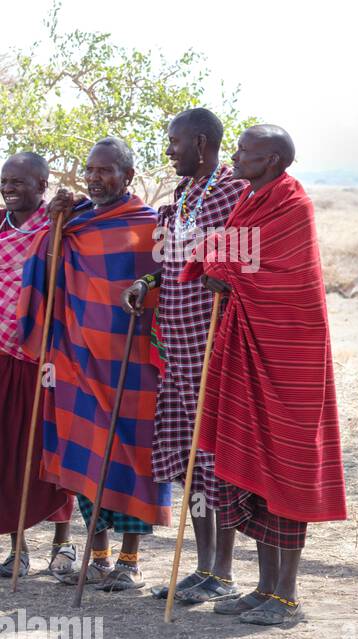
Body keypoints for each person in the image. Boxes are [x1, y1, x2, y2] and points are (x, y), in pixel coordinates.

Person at [192, 125, 348, 625]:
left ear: (274, 159)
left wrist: (225, 268)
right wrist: (221, 264)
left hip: (289, 355)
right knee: (256, 468)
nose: (234, 158)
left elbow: (272, 274)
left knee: (287, 466)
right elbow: (221, 251)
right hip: (247, 345)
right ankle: (262, 588)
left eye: (245, 153)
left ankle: (286, 595)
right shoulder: (252, 199)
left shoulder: (292, 206)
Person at [19, 138, 170, 591]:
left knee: (132, 458)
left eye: (105, 170)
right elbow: (44, 275)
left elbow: (170, 287)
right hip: (77, 358)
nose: (94, 178)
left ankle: (130, 560)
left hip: (131, 362)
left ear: (128, 175)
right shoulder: (75, 222)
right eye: (90, 170)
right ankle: (97, 553)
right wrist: (55, 224)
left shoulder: (148, 226)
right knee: (86, 455)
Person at [122, 108, 247, 605]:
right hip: (176, 346)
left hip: (216, 349)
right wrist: (146, 283)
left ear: (200, 142)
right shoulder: (182, 197)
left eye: (174, 142)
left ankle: (224, 569)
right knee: (188, 461)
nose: (168, 150)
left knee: (216, 457)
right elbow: (170, 265)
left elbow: (242, 269)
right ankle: (200, 564)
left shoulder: (235, 193)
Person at [0, 152, 74, 578]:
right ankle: (19, 546)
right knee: (11, 450)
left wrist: (62, 212)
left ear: (41, 184)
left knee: (51, 446)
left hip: (47, 351)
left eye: (19, 182)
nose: (10, 188)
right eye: (5, 181)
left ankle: (63, 543)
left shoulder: (58, 225)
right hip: (4, 352)